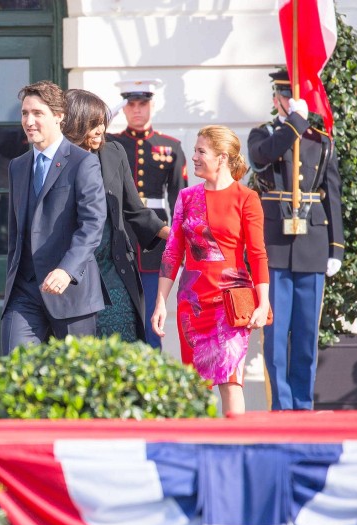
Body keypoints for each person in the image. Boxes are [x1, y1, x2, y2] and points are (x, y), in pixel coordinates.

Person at [151, 125, 270, 414]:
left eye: (201, 151)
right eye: (194, 151)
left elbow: (257, 254)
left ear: (222, 158)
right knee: (195, 386)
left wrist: (263, 303)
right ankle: (199, 452)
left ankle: (235, 449)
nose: (194, 157)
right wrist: (160, 303)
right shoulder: (187, 197)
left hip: (231, 304)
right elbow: (173, 252)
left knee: (231, 382)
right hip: (192, 305)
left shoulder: (246, 198)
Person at [247, 69, 344, 411]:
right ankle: (282, 407)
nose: (289, 101)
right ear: (276, 99)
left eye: (295, 96)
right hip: (274, 243)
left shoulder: (321, 141)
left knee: (305, 336)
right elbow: (262, 158)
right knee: (275, 337)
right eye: (284, 96)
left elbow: (332, 194)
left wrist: (336, 248)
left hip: (312, 243)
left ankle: (303, 405)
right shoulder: (264, 134)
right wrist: (295, 124)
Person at [1, 81, 107, 354]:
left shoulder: (83, 162)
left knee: (76, 387)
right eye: (25, 113)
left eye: (38, 113)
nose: (29, 121)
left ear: (59, 116)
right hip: (24, 293)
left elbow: (93, 224)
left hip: (72, 294)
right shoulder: (18, 166)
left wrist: (66, 269)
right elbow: (16, 230)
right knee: (17, 374)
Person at [62, 88, 169, 342]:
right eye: (93, 124)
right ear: (77, 123)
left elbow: (134, 208)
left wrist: (174, 235)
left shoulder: (114, 151)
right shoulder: (58, 158)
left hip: (114, 268)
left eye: (102, 122)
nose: (101, 130)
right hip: (72, 270)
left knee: (124, 346)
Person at [107, 79, 188, 349]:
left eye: (143, 104)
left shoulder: (171, 146)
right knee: (120, 317)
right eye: (131, 104)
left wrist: (181, 241)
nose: (137, 110)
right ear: (124, 108)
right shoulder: (111, 143)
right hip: (120, 233)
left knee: (154, 318)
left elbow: (179, 200)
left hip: (155, 240)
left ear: (152, 105)